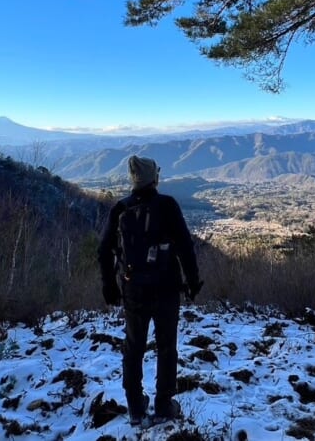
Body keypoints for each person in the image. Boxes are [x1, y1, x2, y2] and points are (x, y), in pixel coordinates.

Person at [98, 155, 203, 427]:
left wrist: (109, 286)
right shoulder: (167, 205)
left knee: (133, 346)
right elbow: (185, 246)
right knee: (167, 346)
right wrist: (193, 282)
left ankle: (135, 406)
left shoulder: (120, 209)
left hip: (133, 289)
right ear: (154, 178)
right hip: (167, 288)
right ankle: (164, 405)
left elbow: (103, 251)